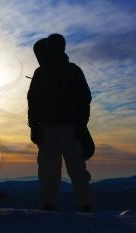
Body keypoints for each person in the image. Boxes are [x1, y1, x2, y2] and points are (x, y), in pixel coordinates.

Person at [27, 34, 93, 212]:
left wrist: (34, 126)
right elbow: (33, 101)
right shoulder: (69, 70)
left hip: (62, 129)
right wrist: (34, 126)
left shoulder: (46, 72)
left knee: (67, 170)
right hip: (59, 129)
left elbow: (84, 99)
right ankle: (79, 205)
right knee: (65, 170)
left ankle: (61, 205)